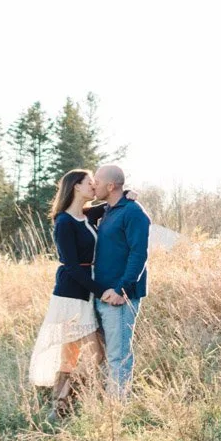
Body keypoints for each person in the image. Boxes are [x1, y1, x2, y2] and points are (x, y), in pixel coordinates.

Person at [26, 169, 106, 414]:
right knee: (95, 354)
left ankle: (60, 405)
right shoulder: (64, 222)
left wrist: (126, 192)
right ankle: (62, 403)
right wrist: (101, 291)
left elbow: (109, 204)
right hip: (71, 294)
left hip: (84, 291)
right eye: (90, 183)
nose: (94, 186)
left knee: (72, 354)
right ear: (76, 187)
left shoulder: (86, 216)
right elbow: (70, 265)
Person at [86, 163, 149, 397]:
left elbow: (139, 254)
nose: (94, 185)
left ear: (111, 185)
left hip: (120, 297)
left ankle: (118, 412)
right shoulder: (108, 210)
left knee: (118, 355)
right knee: (105, 355)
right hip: (102, 293)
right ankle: (107, 404)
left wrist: (122, 289)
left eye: (98, 182)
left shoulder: (133, 212)